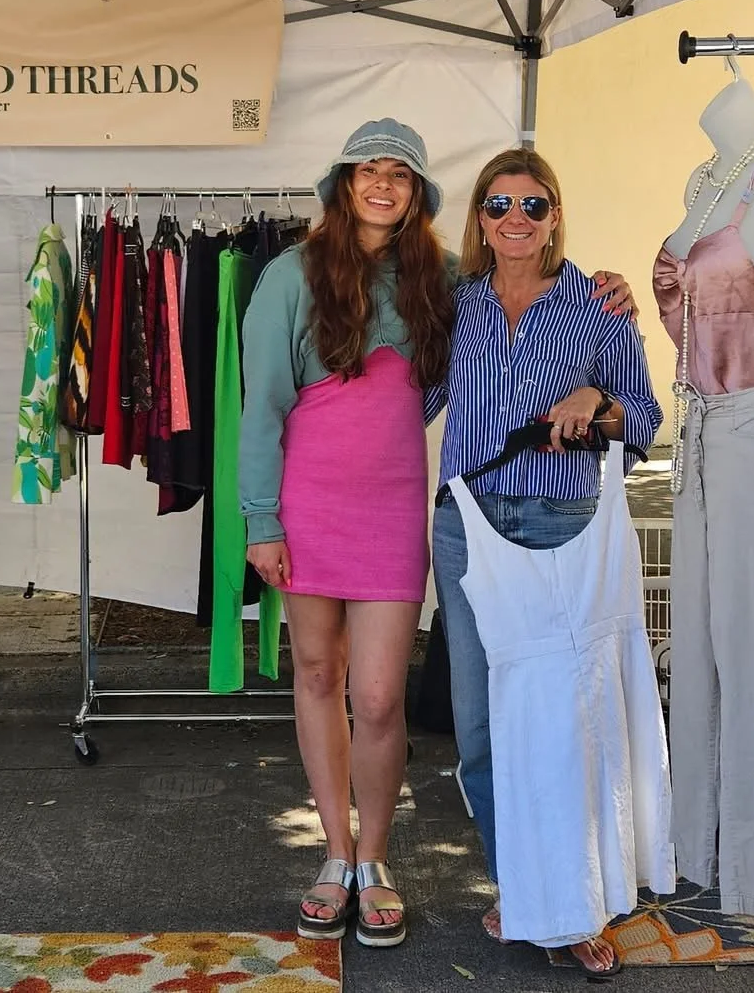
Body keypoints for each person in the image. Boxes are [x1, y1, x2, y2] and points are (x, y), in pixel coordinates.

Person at [240, 122, 639, 949]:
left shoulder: (442, 281)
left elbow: (528, 275)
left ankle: (379, 858)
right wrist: (259, 518)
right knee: (319, 675)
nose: (383, 185)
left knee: (382, 697)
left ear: (420, 192)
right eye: (368, 171)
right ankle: (338, 858)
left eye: (400, 174)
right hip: (311, 502)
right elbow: (262, 407)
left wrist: (613, 293)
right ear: (343, 182)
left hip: (397, 507)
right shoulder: (290, 274)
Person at [428, 147, 670, 977]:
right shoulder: (454, 307)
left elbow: (644, 414)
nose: (516, 220)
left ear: (555, 213)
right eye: (499, 206)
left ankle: (576, 900)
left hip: (563, 520)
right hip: (466, 528)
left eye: (533, 205)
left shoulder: (598, 304)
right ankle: (523, 887)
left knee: (569, 720)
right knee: (484, 722)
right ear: (481, 220)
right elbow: (405, 397)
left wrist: (595, 405)